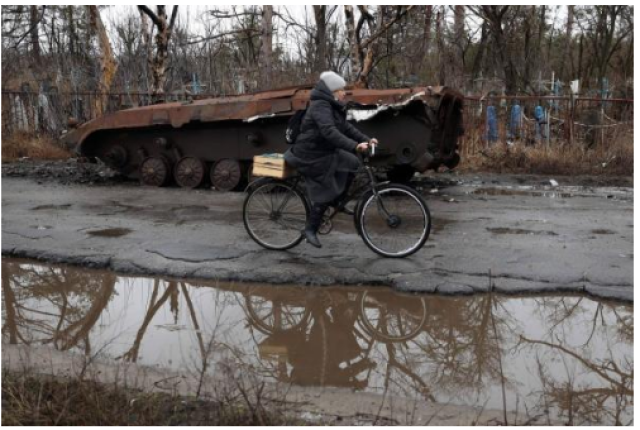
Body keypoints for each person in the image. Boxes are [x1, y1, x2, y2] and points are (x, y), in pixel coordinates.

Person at [285, 71, 377, 248]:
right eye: (340, 89)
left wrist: (366, 139)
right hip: (309, 154)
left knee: (353, 163)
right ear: (332, 91)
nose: (344, 92)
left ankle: (337, 201)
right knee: (325, 185)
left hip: (323, 150)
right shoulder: (320, 106)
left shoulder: (331, 105)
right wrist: (354, 146)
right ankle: (310, 229)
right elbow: (329, 132)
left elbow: (346, 128)